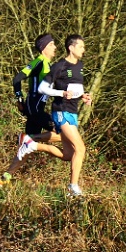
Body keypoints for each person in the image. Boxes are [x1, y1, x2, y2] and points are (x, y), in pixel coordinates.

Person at [0, 33, 66, 186]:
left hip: (36, 108)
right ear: (44, 47)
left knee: (26, 148)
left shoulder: (49, 66)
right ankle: (30, 139)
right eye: (52, 44)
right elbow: (17, 78)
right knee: (64, 133)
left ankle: (4, 178)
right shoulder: (39, 62)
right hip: (34, 108)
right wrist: (19, 99)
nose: (55, 47)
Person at [39, 34, 91, 197]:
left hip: (73, 112)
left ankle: (32, 145)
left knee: (68, 155)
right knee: (80, 148)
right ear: (71, 47)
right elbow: (42, 88)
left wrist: (83, 96)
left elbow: (75, 88)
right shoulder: (59, 66)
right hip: (61, 111)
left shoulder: (80, 66)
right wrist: (60, 93)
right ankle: (72, 188)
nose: (83, 50)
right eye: (81, 46)